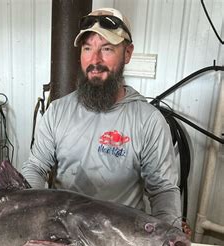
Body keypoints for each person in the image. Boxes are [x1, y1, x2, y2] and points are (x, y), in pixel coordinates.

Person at [22, 7, 183, 228]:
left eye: (107, 49)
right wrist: (26, 211)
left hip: (119, 240)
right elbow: (36, 167)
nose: (94, 60)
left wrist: (169, 236)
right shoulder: (58, 111)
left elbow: (163, 190)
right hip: (64, 235)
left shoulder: (148, 121)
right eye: (87, 48)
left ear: (127, 53)